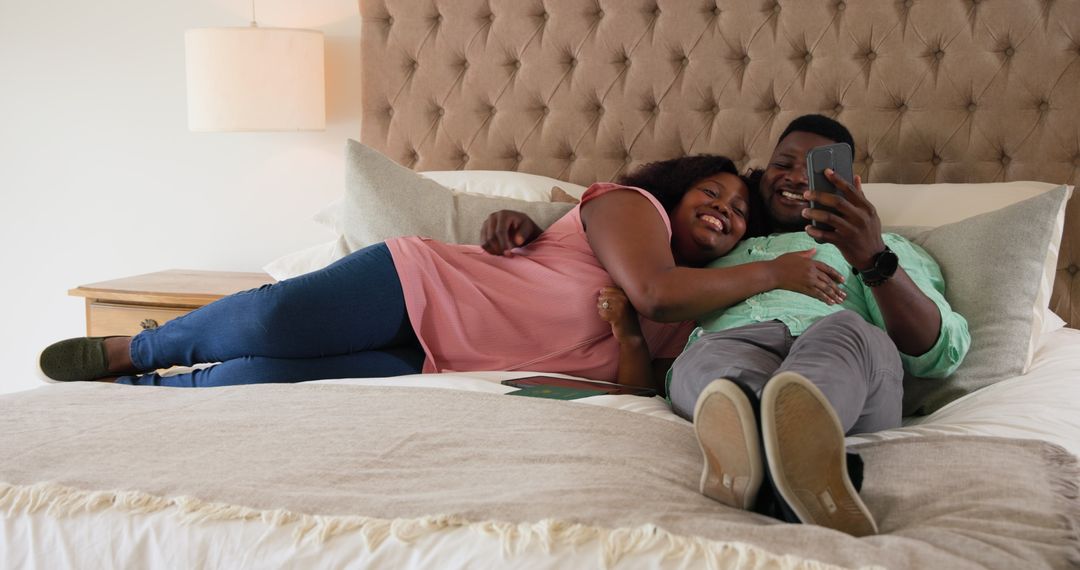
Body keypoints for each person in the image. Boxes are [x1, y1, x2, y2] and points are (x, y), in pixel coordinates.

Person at [483, 115, 971, 537]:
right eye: (782, 163)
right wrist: (535, 227)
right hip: (731, 347)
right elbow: (623, 256)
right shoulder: (719, 248)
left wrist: (870, 257)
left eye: (814, 170)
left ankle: (772, 463)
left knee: (845, 331)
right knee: (714, 367)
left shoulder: (881, 245)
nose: (793, 177)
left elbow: (938, 351)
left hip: (845, 357)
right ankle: (793, 471)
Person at [39, 155, 844, 389]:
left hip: (445, 360)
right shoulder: (634, 208)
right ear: (677, 188)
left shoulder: (690, 313)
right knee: (277, 320)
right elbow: (656, 285)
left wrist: (631, 336)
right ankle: (135, 351)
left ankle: (153, 395)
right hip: (420, 284)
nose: (725, 211)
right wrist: (777, 275)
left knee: (276, 378)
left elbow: (636, 384)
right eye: (714, 191)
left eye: (739, 215)